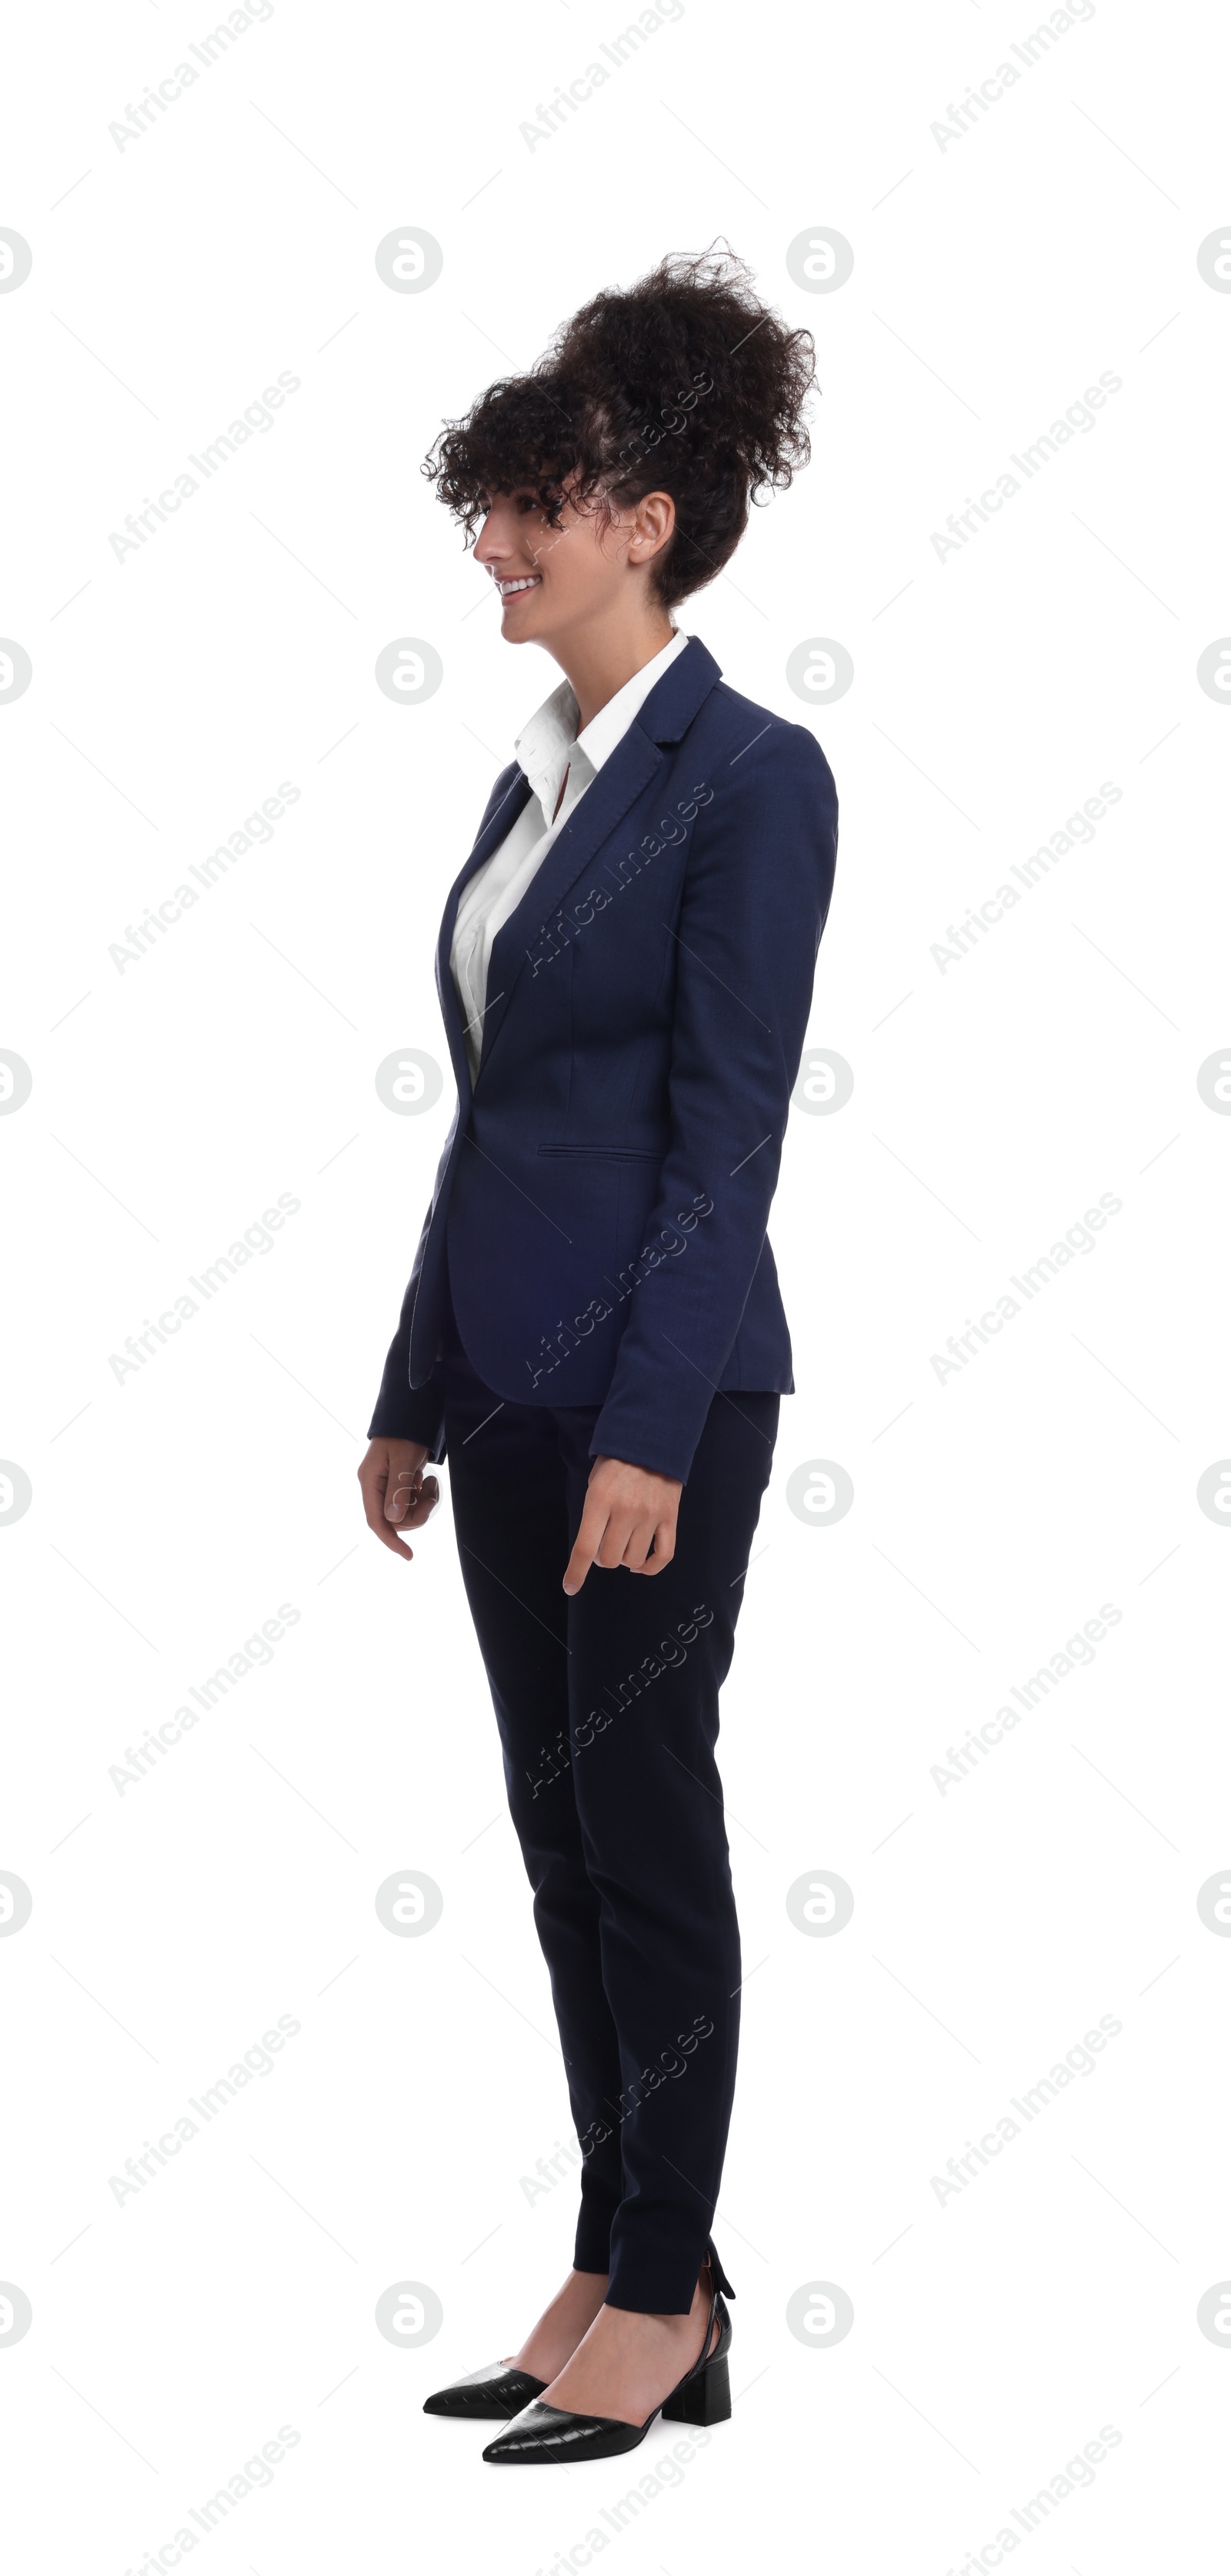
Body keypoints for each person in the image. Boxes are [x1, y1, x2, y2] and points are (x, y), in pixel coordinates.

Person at [358, 246, 839, 2465]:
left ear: (643, 513)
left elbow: (723, 1133)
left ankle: (669, 2290)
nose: (496, 543)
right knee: (559, 1841)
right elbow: (496, 1120)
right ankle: (629, 2242)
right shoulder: (528, 783)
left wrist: (651, 1424)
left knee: (641, 1829)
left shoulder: (753, 778)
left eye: (532, 502)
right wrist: (408, 1383)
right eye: (488, 506)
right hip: (511, 1390)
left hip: (660, 1396)